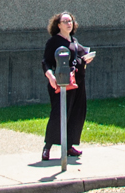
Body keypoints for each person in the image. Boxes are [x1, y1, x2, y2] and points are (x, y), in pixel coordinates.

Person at [41, 10, 95, 162]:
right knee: (59, 113)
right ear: (58, 25)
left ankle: (69, 145)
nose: (68, 24)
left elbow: (82, 54)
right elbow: (46, 62)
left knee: (76, 113)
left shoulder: (74, 41)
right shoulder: (54, 42)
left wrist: (87, 58)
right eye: (65, 21)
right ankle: (48, 146)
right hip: (61, 82)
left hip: (77, 83)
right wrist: (50, 76)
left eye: (70, 21)